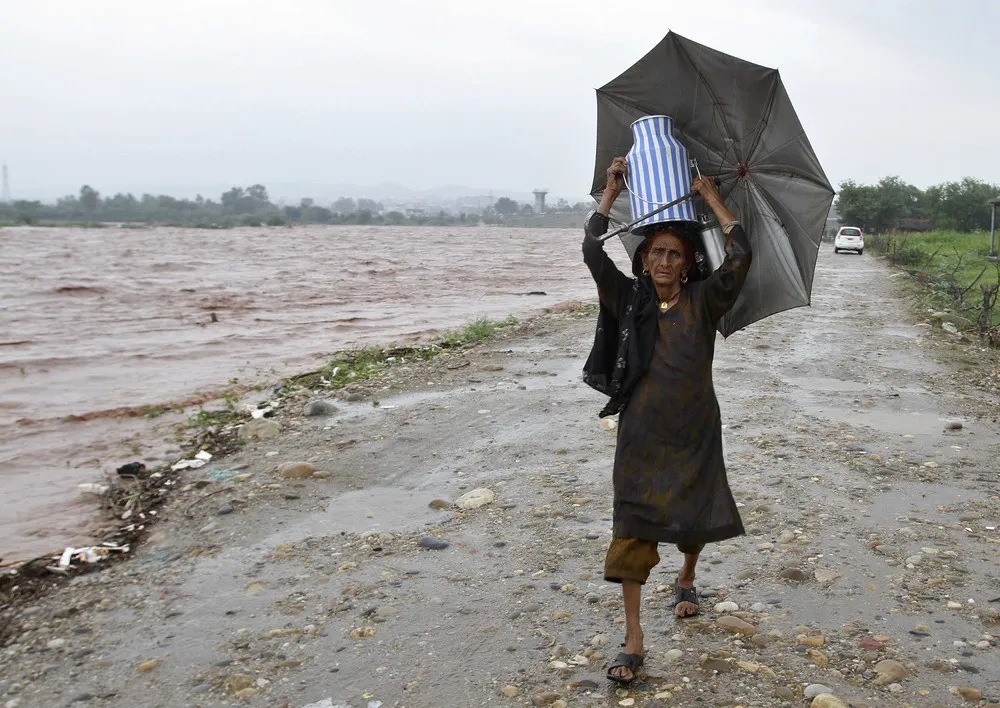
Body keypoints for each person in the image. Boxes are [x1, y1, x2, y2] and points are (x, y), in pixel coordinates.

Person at [581, 156, 752, 684]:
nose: (661, 259)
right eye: (655, 250)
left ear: (687, 264)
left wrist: (711, 200)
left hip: (695, 429)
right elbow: (591, 248)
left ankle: (687, 575)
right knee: (632, 526)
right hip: (640, 434)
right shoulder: (626, 298)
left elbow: (740, 255)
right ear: (643, 258)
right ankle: (633, 638)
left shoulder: (704, 300)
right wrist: (611, 193)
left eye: (673, 254)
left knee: (692, 515)